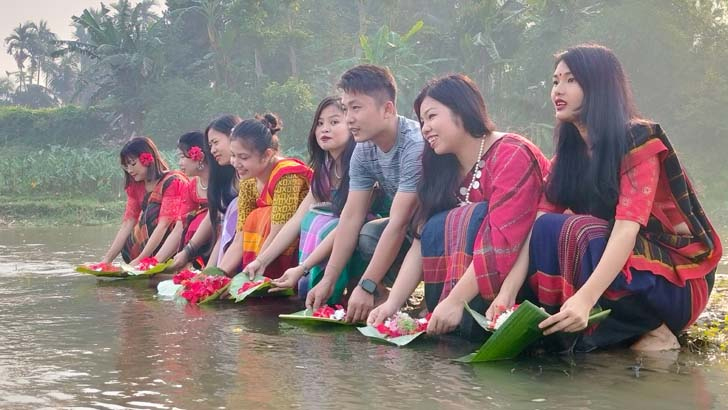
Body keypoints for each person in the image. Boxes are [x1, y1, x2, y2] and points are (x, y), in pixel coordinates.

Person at [518, 44, 722, 351]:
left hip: (676, 280)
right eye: (555, 81)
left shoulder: (637, 139)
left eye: (571, 80)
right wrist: (507, 295)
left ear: (599, 85)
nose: (558, 90)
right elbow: (536, 224)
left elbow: (627, 229)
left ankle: (652, 327)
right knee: (550, 227)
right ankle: (599, 330)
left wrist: (585, 299)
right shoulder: (569, 154)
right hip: (618, 266)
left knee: (581, 230)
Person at [367, 74, 550, 337]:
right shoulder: (441, 167)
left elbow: (502, 241)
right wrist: (392, 305)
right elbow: (422, 239)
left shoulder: (511, 154)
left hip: (519, 277)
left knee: (473, 216)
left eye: (431, 116)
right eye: (421, 121)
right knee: (436, 225)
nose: (425, 128)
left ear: (462, 110)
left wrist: (453, 302)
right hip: (466, 290)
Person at [305, 64, 424, 323]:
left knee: (387, 231)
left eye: (356, 108)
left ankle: (415, 299)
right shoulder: (364, 149)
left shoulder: (414, 145)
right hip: (410, 230)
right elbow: (351, 216)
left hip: (435, 231)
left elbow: (399, 221)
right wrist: (328, 279)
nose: (349, 118)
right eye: (346, 108)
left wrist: (366, 285)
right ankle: (384, 298)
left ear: (387, 109)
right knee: (367, 233)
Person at [244, 97, 365, 303]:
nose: (324, 129)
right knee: (311, 219)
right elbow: (297, 220)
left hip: (367, 228)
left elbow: (348, 222)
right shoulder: (324, 168)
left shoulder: (362, 163)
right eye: (320, 123)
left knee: (324, 224)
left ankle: (341, 290)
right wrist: (262, 261)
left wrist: (303, 267)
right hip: (341, 230)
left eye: (334, 122)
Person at [218, 114, 312, 278]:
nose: (235, 163)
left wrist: (256, 267)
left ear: (267, 155)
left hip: (295, 249)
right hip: (262, 258)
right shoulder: (248, 181)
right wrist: (218, 276)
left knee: (263, 216)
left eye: (244, 157)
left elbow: (279, 230)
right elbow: (240, 237)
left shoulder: (287, 176)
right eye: (233, 155)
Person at [101, 137, 187, 265]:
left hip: (170, 243)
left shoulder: (172, 181)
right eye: (126, 166)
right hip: (142, 246)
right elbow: (127, 224)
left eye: (133, 164)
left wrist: (141, 260)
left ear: (147, 159)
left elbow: (164, 225)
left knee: (152, 211)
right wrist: (106, 261)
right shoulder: (135, 186)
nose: (130, 170)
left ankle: (153, 261)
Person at [170, 115, 240, 270]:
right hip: (226, 250)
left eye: (215, 143)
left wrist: (213, 273)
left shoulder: (246, 178)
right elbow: (222, 230)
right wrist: (188, 252)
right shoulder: (222, 179)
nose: (213, 150)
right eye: (210, 145)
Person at [154, 131, 211, 265]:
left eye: (182, 157)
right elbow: (180, 227)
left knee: (199, 220)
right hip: (198, 246)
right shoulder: (192, 186)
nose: (179, 163)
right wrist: (155, 262)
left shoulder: (223, 181)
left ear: (198, 156)